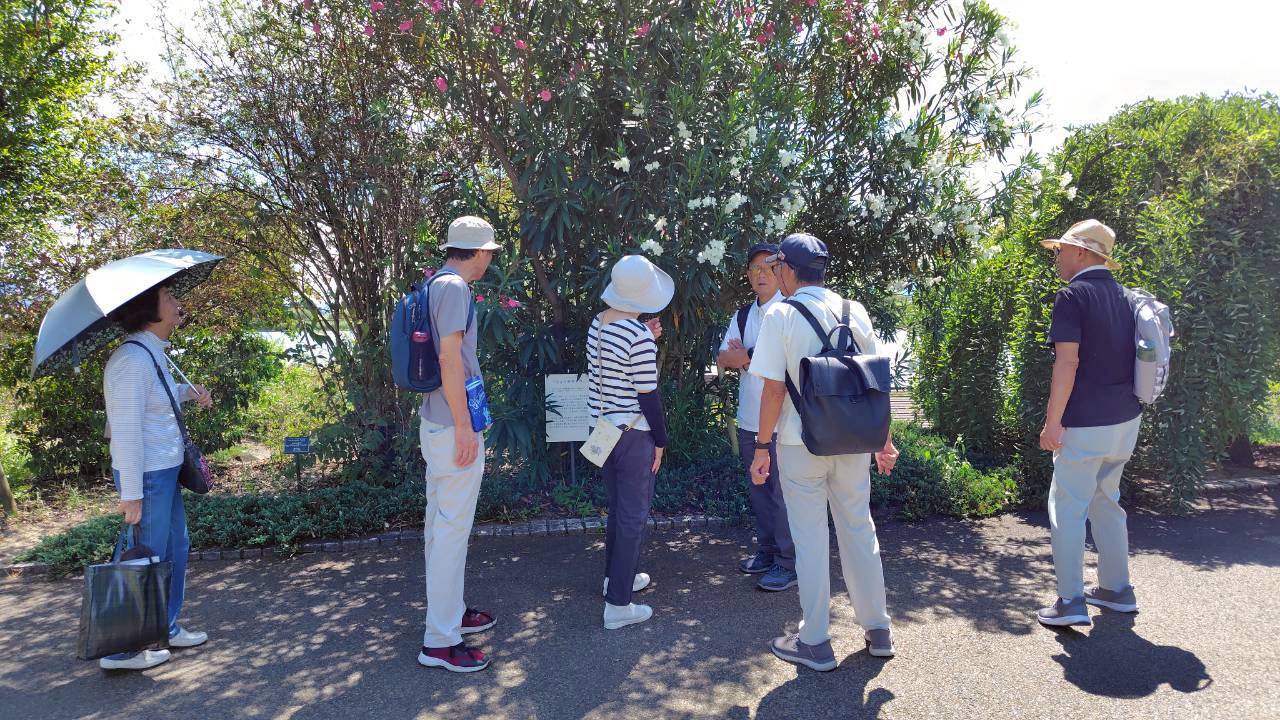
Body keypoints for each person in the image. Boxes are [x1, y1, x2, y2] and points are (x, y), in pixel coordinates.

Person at [749, 233, 900, 671]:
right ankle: (878, 628)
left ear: (787, 269)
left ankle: (814, 640)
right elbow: (875, 384)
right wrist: (884, 440)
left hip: (801, 443)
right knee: (859, 529)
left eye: (776, 267)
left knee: (811, 540)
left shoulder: (780, 315)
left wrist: (761, 447)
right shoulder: (855, 311)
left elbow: (773, 390)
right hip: (853, 441)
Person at [1034, 219, 1143, 628]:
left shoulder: (1072, 296)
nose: (1057, 257)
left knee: (1067, 509)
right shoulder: (1127, 296)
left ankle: (1070, 601)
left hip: (1084, 423)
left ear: (1080, 252)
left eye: (1060, 250)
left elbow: (1068, 363)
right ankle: (1116, 590)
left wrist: (1053, 423)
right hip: (1125, 421)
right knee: (1106, 502)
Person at [100, 281, 213, 671]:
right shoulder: (131, 360)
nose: (178, 303)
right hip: (146, 477)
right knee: (145, 558)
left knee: (175, 548)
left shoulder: (150, 353)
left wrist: (188, 392)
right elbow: (126, 431)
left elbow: (156, 398)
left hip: (165, 471)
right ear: (149, 309)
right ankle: (122, 649)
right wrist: (131, 493)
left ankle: (164, 626)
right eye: (169, 298)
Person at [417, 216, 500, 673]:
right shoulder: (454, 289)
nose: (490, 259)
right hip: (453, 426)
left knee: (441, 526)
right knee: (450, 532)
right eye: (490, 252)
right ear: (480, 252)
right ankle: (440, 641)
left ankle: (450, 613)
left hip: (438, 420)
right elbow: (449, 359)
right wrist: (465, 426)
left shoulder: (437, 284)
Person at [588, 255, 672, 630]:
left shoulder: (598, 324)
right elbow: (647, 396)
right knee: (634, 516)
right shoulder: (637, 337)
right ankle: (618, 606)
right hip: (634, 434)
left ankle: (615, 580)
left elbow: (614, 366)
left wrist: (644, 337)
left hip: (602, 430)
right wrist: (661, 440)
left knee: (619, 509)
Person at [716, 243, 797, 592]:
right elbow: (723, 358)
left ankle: (788, 562)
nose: (761, 274)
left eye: (768, 267)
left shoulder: (790, 310)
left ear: (780, 271)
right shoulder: (743, 315)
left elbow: (783, 362)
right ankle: (767, 550)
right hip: (750, 419)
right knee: (759, 491)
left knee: (783, 495)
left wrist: (746, 355)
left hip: (784, 423)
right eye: (754, 268)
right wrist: (754, 357)